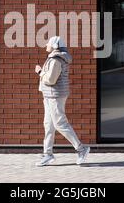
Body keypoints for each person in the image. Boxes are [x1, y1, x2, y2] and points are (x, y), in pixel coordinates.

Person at [34, 36, 90, 167]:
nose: (46, 45)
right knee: (48, 125)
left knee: (60, 123)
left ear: (54, 46)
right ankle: (47, 154)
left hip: (55, 95)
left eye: (48, 43)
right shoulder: (54, 58)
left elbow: (51, 80)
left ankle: (81, 149)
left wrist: (40, 72)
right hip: (49, 95)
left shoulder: (56, 60)